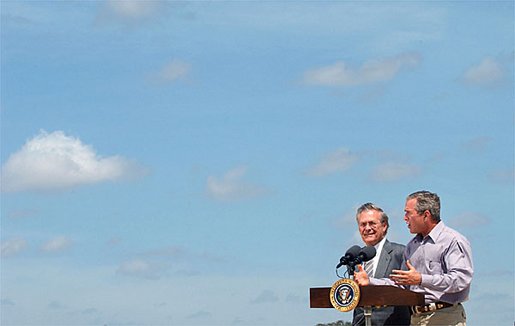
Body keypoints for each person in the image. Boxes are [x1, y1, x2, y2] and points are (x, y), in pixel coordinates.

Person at [354, 191, 473, 326]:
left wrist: (421, 279)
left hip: (444, 316)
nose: (405, 218)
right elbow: (402, 284)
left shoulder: (452, 240)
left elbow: (461, 280)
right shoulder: (412, 246)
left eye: (408, 213)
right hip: (416, 319)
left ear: (426, 215)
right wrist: (370, 281)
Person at [352, 203, 410, 326]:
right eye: (363, 224)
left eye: (372, 223)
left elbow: (407, 291)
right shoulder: (356, 257)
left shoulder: (400, 252)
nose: (367, 228)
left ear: (384, 226)